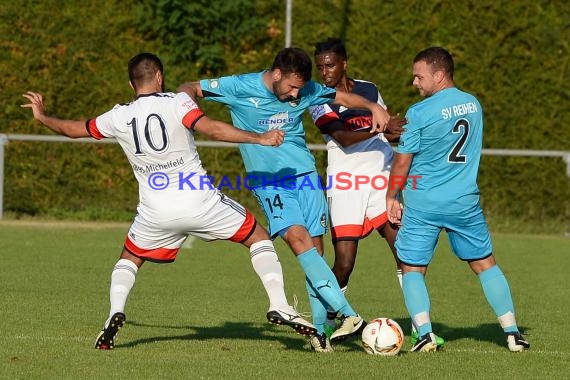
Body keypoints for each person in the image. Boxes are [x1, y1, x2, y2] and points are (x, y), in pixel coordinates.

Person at [21, 52, 318, 350]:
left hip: (155, 211)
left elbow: (74, 130)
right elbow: (212, 128)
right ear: (160, 77)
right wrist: (260, 138)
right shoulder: (177, 101)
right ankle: (279, 304)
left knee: (130, 257)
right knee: (258, 237)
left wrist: (42, 116)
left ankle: (114, 312)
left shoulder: (118, 115)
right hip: (200, 202)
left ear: (130, 83)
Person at [178, 47, 391, 352]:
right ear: (276, 74)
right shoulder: (240, 86)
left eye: (300, 90)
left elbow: (342, 98)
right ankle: (348, 313)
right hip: (269, 181)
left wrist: (375, 108)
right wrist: (183, 109)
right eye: (291, 87)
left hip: (305, 175)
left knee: (315, 253)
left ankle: (320, 334)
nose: (295, 95)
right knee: (296, 238)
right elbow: (190, 87)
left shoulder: (305, 89)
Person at [386, 47, 530, 352]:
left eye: (419, 76)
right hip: (464, 201)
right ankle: (513, 333)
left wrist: (392, 194)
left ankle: (424, 333)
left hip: (424, 203)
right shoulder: (473, 104)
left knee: (412, 268)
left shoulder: (419, 112)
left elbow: (402, 162)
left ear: (439, 75)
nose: (415, 82)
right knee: (485, 264)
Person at [310, 38, 444, 348]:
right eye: (320, 67)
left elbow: (391, 128)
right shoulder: (317, 99)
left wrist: (403, 130)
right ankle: (325, 324)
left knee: (406, 253)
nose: (325, 72)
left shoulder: (369, 89)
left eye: (330, 65)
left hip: (381, 179)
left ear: (345, 62)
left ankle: (421, 329)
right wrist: (381, 127)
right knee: (344, 263)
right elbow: (343, 137)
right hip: (346, 183)